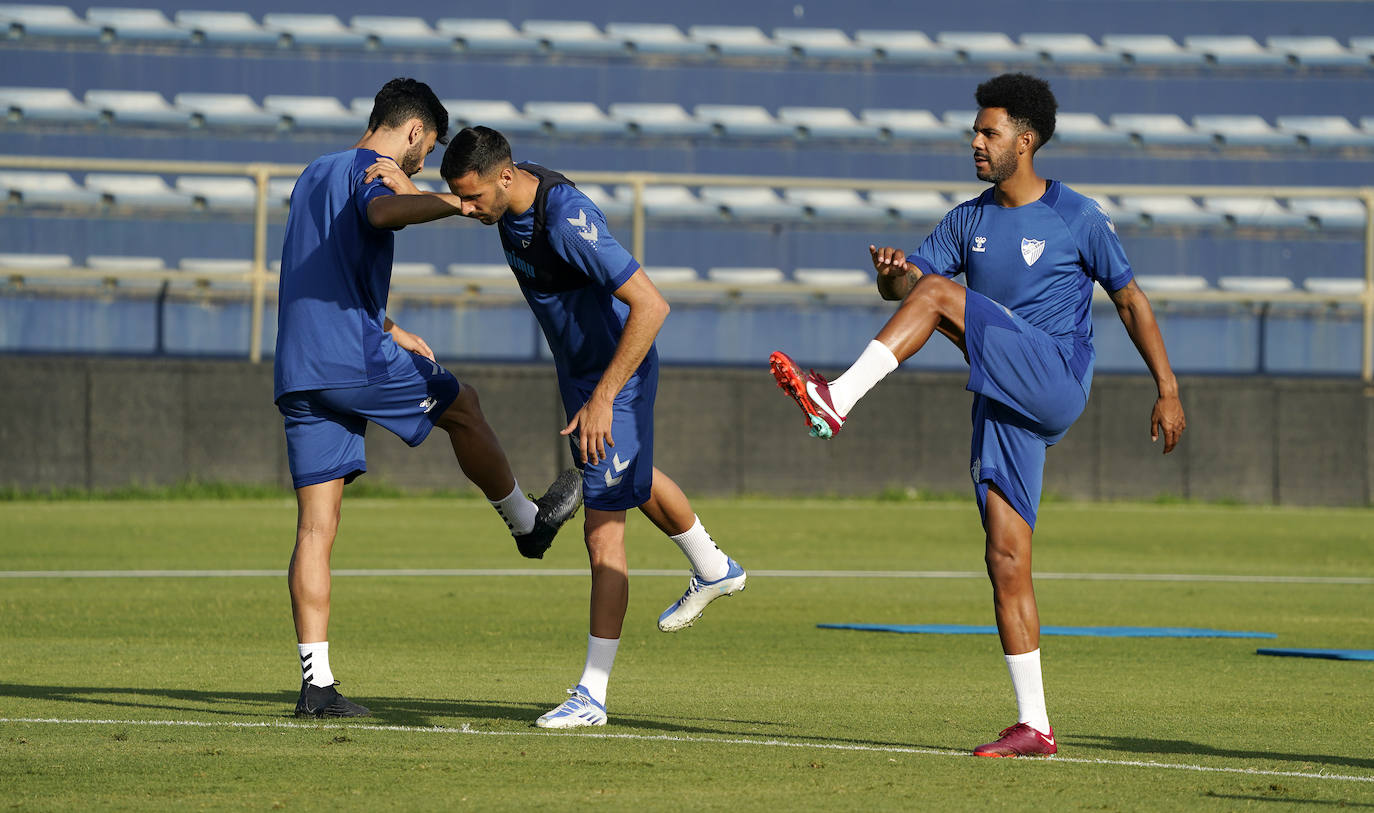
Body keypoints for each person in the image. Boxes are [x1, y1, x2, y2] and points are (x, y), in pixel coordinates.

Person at [769, 73, 1186, 757]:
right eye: (976, 131)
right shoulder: (968, 219)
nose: (976, 141)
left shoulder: (1076, 215)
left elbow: (1132, 301)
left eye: (989, 131)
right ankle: (1036, 723)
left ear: (1026, 141)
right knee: (1005, 557)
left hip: (1053, 375)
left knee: (938, 297)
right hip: (1002, 394)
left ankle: (835, 398)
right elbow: (910, 289)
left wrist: (1166, 387)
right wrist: (890, 272)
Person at [367, 125, 748, 728]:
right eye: (460, 198)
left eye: (474, 199)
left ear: (507, 178)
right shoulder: (502, 191)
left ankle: (591, 695)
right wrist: (409, 187)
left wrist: (602, 399)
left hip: (613, 376)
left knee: (603, 534)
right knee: (627, 478)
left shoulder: (565, 218)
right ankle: (714, 566)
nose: (469, 210)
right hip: (582, 377)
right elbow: (470, 200)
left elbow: (652, 306)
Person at [273, 79, 582, 719]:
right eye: (429, 148)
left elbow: (323, 270)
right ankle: (527, 523)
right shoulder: (375, 172)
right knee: (463, 404)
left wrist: (388, 327)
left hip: (302, 364)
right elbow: (382, 213)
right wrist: (451, 203)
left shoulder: (312, 174)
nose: (422, 161)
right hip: (346, 356)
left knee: (315, 528)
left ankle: (317, 685)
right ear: (414, 131)